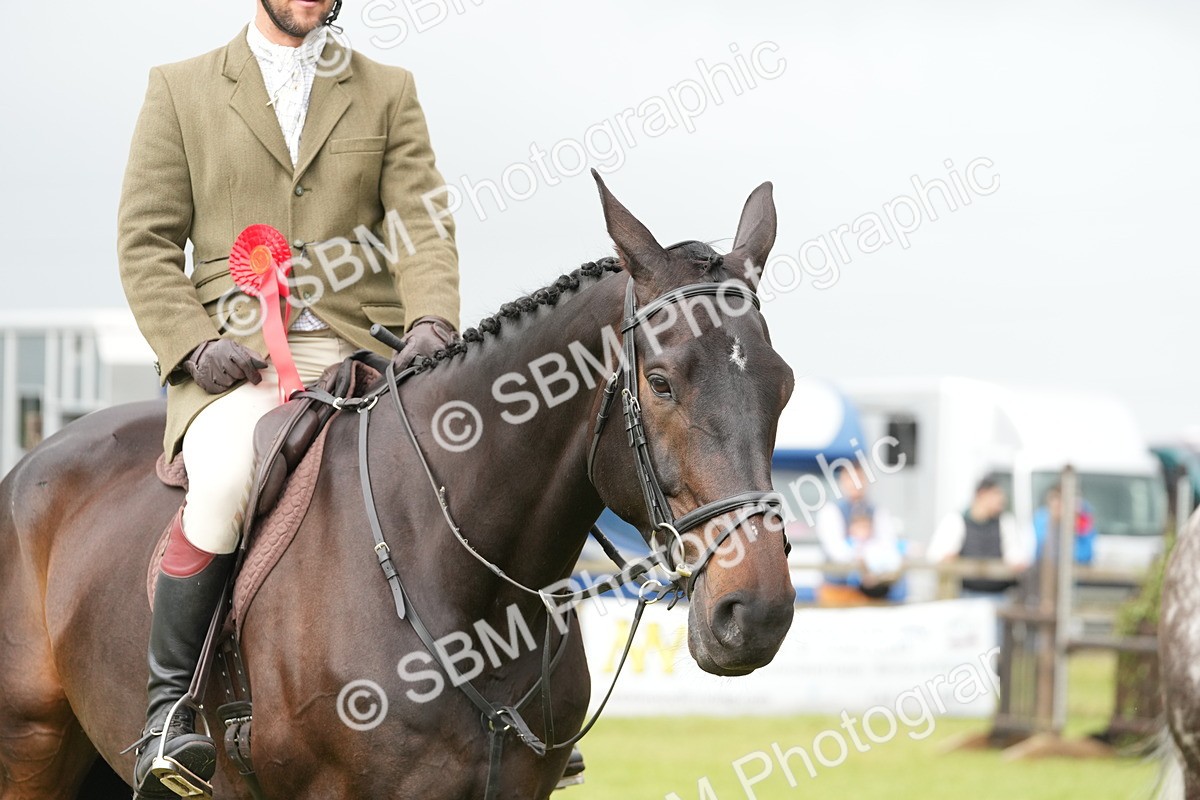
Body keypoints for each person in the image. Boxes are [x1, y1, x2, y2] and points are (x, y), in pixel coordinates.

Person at [117, 2, 459, 795]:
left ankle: (506, 699)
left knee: (462, 460)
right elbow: (146, 241)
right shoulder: (180, 89)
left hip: (362, 345)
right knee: (229, 479)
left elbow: (423, 222)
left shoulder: (388, 88)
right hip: (233, 360)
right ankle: (169, 711)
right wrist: (191, 343)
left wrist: (434, 317)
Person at [926, 475, 1033, 597]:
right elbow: (936, 555)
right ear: (982, 494)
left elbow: (1016, 554)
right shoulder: (957, 521)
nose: (1002, 499)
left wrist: (1017, 562)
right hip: (965, 594)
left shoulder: (1005, 522)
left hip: (1000, 595)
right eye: (996, 494)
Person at [815, 463, 904, 600]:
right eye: (850, 478)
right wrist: (864, 565)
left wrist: (876, 567)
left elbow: (888, 543)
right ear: (842, 482)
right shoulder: (831, 511)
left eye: (860, 478)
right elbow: (837, 551)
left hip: (875, 592)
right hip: (839, 591)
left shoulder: (878, 511)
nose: (856, 483)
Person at [1033, 484, 1097, 565]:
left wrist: (1073, 525)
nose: (1057, 504)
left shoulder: (1080, 518)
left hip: (1073, 572)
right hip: (1045, 571)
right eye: (1054, 499)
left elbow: (1086, 554)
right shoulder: (1041, 518)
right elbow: (1040, 551)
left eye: (1061, 500)